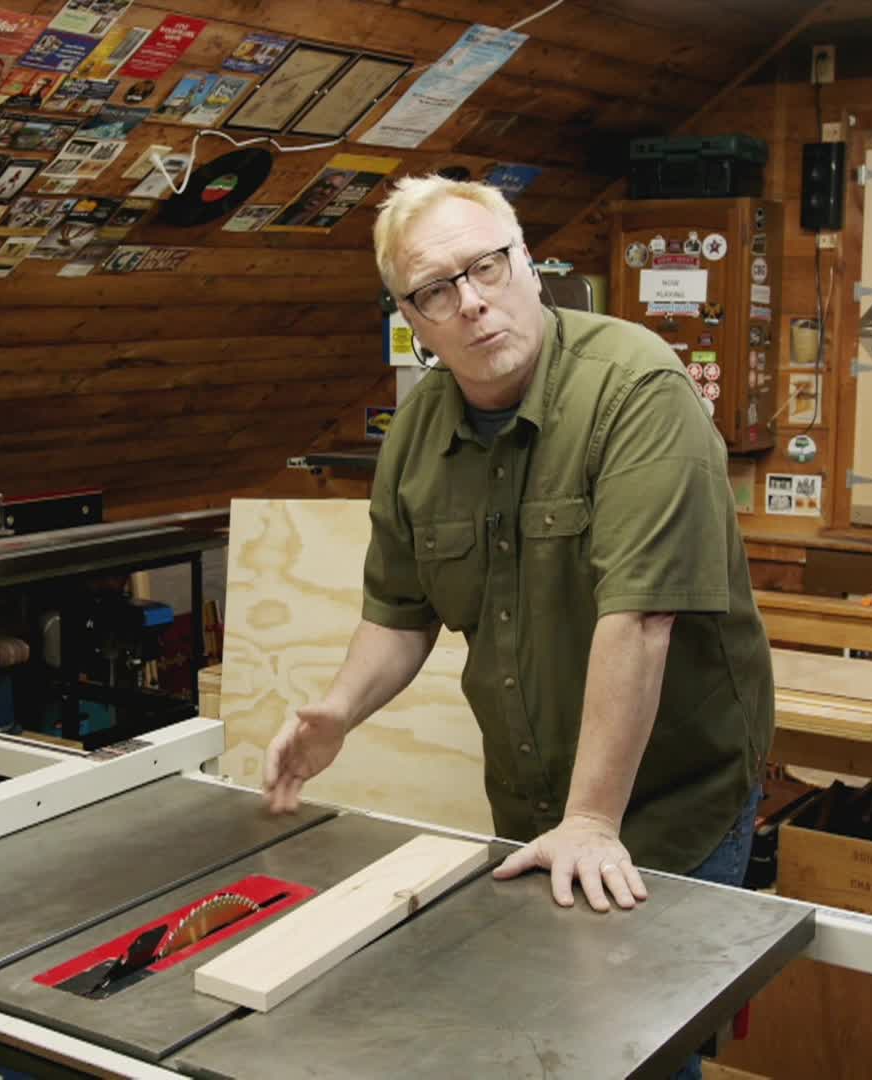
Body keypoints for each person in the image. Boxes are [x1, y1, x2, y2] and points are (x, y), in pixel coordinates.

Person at [263, 175, 775, 922]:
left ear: (529, 264)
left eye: (486, 268)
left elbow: (640, 619)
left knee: (644, 1029)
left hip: (675, 800)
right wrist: (340, 709)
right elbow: (402, 614)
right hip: (532, 803)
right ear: (412, 319)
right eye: (435, 291)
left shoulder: (638, 389)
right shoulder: (415, 437)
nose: (470, 302)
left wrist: (594, 821)